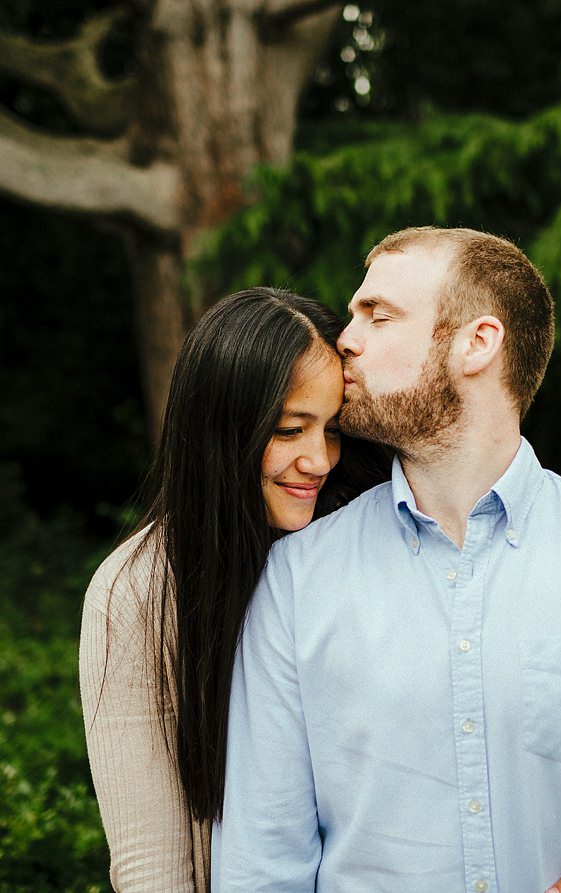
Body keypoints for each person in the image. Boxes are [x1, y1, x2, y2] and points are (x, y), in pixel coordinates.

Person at [212, 227, 561, 892]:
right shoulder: (296, 581)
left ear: (478, 342)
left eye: (377, 315)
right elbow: (262, 864)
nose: (346, 340)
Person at [80, 288, 390, 891]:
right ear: (221, 432)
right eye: (288, 430)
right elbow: (151, 864)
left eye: (331, 430)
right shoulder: (137, 591)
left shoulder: (362, 535)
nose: (320, 460)